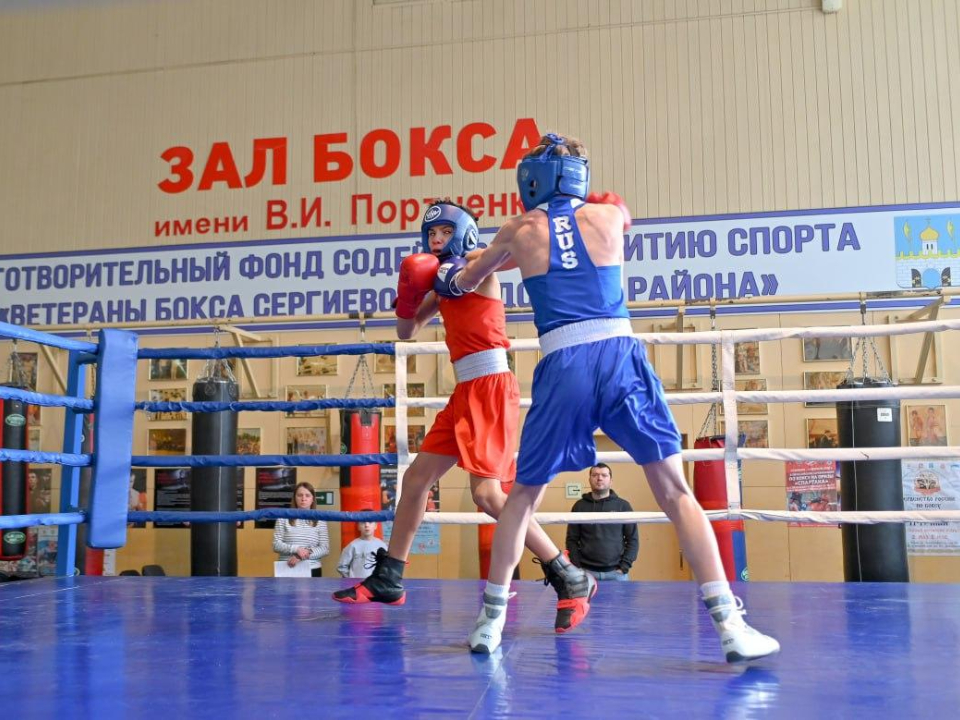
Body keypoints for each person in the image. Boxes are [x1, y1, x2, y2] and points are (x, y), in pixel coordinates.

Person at [446, 133, 780, 661]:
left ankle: (490, 623)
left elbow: (466, 281)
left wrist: (451, 268)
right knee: (675, 491)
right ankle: (730, 626)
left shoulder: (519, 229)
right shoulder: (608, 216)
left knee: (523, 498)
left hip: (564, 363)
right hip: (621, 356)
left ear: (531, 180)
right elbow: (617, 221)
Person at [334, 200, 590, 634]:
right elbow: (405, 331)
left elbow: (496, 261)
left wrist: (449, 270)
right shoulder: (439, 282)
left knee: (487, 495)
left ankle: (567, 573)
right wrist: (409, 296)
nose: (437, 241)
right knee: (416, 479)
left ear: (463, 233)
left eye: (445, 233)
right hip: (464, 390)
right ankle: (390, 577)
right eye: (431, 234)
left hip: (490, 387)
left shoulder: (479, 264)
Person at [566, 463, 638, 581]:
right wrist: (577, 567)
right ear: (589, 479)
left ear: (611, 480)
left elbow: (633, 539)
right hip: (586, 573)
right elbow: (572, 539)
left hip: (617, 574)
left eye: (604, 475)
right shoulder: (579, 506)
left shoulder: (623, 506)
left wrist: (624, 567)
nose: (599, 478)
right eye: (595, 475)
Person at [273, 482, 330, 577]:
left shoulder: (320, 520)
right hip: (286, 568)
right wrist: (297, 549)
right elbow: (276, 545)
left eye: (307, 495)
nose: (303, 499)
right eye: (300, 495)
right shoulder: (283, 518)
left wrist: (301, 556)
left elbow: (325, 548)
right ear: (295, 498)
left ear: (312, 499)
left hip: (312, 569)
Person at [337, 514, 388, 579]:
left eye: (370, 522)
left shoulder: (382, 545)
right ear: (358, 526)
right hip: (356, 583)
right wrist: (351, 579)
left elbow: (387, 566)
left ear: (375, 526)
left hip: (375, 583)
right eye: (363, 522)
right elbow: (341, 566)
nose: (366, 525)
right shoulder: (352, 545)